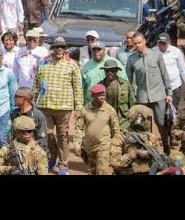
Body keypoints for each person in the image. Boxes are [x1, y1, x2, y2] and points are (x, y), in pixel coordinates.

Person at [34, 37, 83, 175]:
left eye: (62, 47)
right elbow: (36, 83)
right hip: (45, 106)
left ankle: (63, 165)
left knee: (63, 136)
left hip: (64, 107)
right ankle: (53, 156)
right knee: (47, 134)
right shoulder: (43, 62)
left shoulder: (72, 64)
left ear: (65, 49)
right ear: (53, 48)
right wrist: (33, 102)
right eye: (57, 47)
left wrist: (78, 107)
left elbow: (78, 87)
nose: (59, 49)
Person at [126, 32, 173, 154]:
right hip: (142, 97)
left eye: (139, 43)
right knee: (142, 125)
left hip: (158, 94)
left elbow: (164, 74)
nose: (137, 45)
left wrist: (169, 93)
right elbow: (128, 81)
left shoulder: (156, 55)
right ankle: (146, 149)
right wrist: (131, 98)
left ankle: (166, 145)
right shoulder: (131, 59)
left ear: (144, 41)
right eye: (135, 43)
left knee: (161, 122)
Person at [72, 84, 121, 175]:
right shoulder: (85, 109)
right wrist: (77, 144)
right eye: (99, 95)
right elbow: (79, 128)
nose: (102, 97)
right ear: (92, 96)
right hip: (90, 147)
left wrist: (114, 147)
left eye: (103, 95)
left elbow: (116, 131)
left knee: (102, 172)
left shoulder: (110, 110)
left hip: (104, 146)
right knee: (93, 171)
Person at [109, 104, 163, 175]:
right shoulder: (121, 137)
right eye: (147, 118)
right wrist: (135, 153)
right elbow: (114, 162)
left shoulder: (151, 137)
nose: (149, 122)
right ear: (139, 119)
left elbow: (159, 162)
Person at [152, 32, 185, 111]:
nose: (162, 46)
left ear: (169, 43)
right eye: (160, 43)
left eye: (164, 44)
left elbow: (183, 69)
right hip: (159, 87)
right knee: (160, 112)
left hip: (174, 86)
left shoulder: (176, 51)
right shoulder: (153, 51)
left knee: (173, 111)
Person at [98, 59, 136, 129]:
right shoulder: (100, 86)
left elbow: (132, 102)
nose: (110, 73)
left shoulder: (125, 84)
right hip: (106, 121)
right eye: (107, 71)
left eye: (112, 70)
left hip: (123, 121)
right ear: (104, 71)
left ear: (117, 71)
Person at [10, 87, 48, 154]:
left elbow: (42, 139)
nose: (14, 98)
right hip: (16, 151)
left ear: (25, 99)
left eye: (17, 96)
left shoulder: (38, 115)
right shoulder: (14, 113)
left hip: (33, 152)